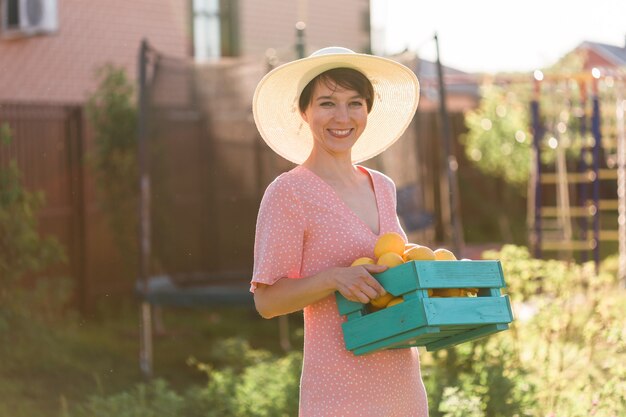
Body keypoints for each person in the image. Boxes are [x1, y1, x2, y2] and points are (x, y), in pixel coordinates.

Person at [250, 46, 428, 416]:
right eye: (327, 103)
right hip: (338, 389)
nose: (342, 117)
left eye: (355, 103)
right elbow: (266, 301)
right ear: (305, 111)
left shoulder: (383, 186)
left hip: (401, 384)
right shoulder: (289, 192)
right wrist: (333, 279)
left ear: (368, 110)